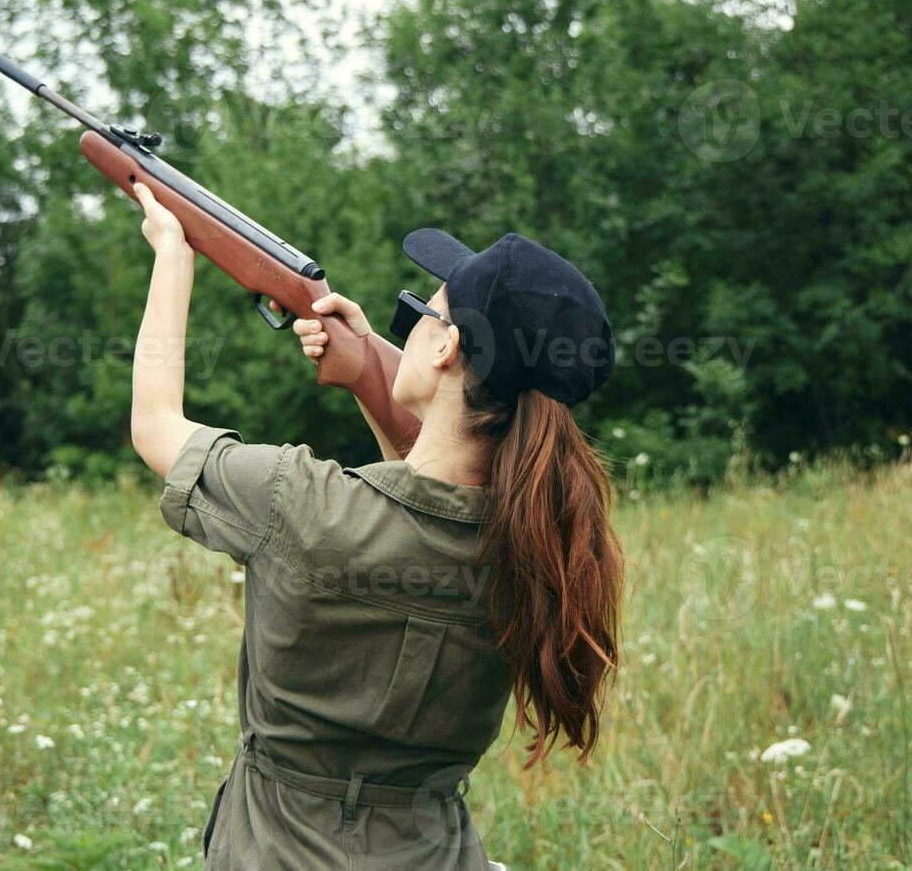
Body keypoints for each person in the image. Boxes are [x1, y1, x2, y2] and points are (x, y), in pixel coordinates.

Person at [127, 182, 624, 869]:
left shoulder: (298, 503)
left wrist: (173, 257)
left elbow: (156, 426)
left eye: (420, 312)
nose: (408, 323)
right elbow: (435, 493)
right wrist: (366, 366)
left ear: (447, 350)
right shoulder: (538, 552)